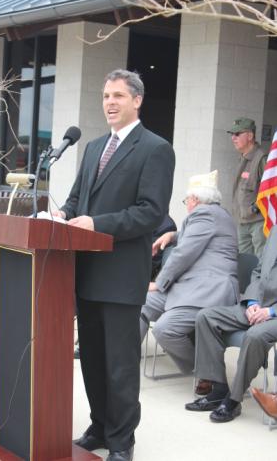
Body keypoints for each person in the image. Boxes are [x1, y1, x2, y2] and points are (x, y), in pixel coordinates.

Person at [54, 69, 175, 461]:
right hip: (85, 273)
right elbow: (76, 201)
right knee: (91, 360)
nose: (110, 102)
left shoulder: (155, 149)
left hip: (121, 276)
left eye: (118, 96)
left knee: (120, 367)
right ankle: (100, 427)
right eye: (106, 95)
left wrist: (96, 223)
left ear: (136, 100)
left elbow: (150, 213)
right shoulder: (92, 147)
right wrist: (59, 217)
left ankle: (122, 443)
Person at [140, 170, 239, 375]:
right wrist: (172, 235)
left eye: (186, 199)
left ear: (194, 199)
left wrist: (159, 283)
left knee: (164, 329)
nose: (186, 204)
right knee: (141, 301)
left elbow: (183, 254)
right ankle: (127, 357)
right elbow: (193, 237)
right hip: (190, 289)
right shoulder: (213, 215)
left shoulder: (205, 214)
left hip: (208, 292)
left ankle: (204, 370)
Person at [185, 225, 277, 423]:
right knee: (206, 317)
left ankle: (233, 400)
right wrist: (253, 302)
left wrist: (270, 312)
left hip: (274, 313)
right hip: (258, 304)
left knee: (255, 335)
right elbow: (259, 271)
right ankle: (218, 388)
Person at [227, 117, 266, 257]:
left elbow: (271, 188)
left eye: (237, 134)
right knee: (245, 261)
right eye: (232, 134)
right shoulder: (243, 157)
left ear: (250, 136)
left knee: (261, 261)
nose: (233, 138)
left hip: (258, 222)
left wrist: (255, 208)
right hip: (242, 222)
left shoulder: (261, 158)